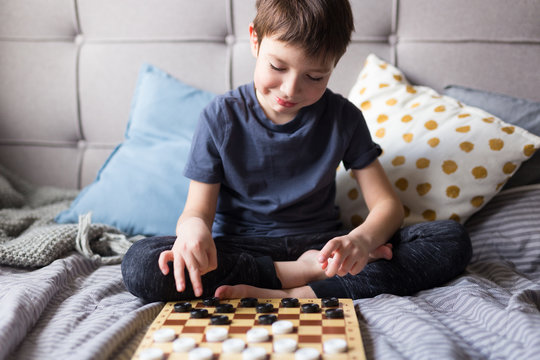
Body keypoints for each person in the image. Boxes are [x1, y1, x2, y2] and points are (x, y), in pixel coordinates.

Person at [121, 0, 472, 302]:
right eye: (278, 67)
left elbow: (388, 207)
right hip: (243, 249)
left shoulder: (344, 118)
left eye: (315, 77)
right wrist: (192, 232)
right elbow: (196, 211)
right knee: (141, 263)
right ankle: (301, 275)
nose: (291, 89)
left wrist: (361, 242)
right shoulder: (220, 117)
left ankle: (296, 292)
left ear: (335, 64)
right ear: (255, 40)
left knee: (450, 240)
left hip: (323, 247)